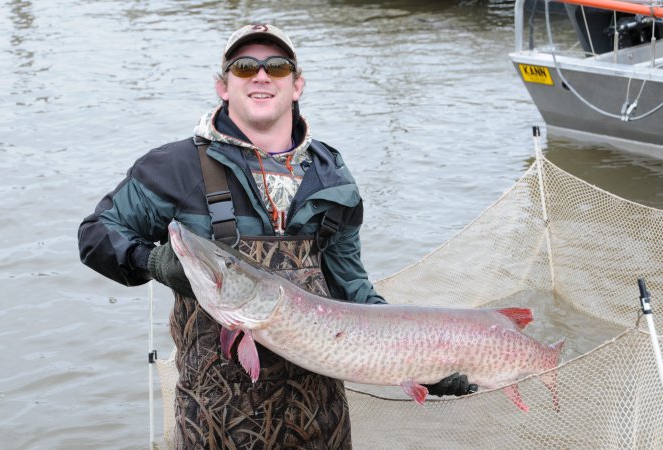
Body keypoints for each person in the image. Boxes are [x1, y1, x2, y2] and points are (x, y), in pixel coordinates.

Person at [78, 23, 476, 449]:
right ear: (223, 86)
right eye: (245, 66)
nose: (262, 76)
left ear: (297, 84)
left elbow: (352, 288)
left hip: (320, 424)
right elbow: (97, 233)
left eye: (278, 66)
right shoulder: (173, 167)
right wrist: (151, 261)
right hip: (213, 426)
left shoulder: (332, 175)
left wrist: (422, 363)